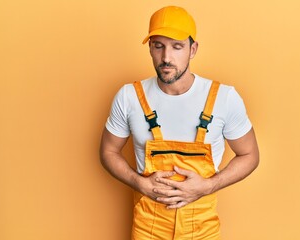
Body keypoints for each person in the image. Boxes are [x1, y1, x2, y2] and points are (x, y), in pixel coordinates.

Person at [100, 5, 259, 240]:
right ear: (150, 48)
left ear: (192, 49)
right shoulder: (129, 96)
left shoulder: (224, 98)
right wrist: (139, 183)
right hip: (148, 229)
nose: (166, 58)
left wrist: (209, 186)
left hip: (202, 230)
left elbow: (250, 155)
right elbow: (108, 151)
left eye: (177, 47)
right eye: (158, 46)